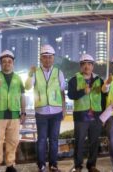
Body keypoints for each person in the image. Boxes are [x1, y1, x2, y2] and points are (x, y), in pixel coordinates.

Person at [25, 44, 66, 172]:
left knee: (54, 140)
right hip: (41, 112)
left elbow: (62, 91)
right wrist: (30, 74)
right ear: (41, 59)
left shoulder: (59, 72)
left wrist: (64, 109)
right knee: (42, 140)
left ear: (53, 58)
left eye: (50, 57)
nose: (47, 59)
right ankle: (41, 165)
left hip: (56, 111)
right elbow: (27, 87)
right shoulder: (35, 72)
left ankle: (53, 165)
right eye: (45, 57)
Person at [0, 50, 26, 172]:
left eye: (9, 62)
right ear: (0, 64)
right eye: (4, 62)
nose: (7, 64)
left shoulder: (18, 78)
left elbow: (22, 96)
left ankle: (10, 164)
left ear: (13, 63)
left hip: (14, 114)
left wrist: (23, 112)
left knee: (13, 141)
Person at [67, 54, 104, 172]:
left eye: (89, 64)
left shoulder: (99, 80)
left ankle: (91, 165)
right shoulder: (74, 79)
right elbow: (71, 95)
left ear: (93, 66)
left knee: (94, 141)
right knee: (79, 141)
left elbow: (104, 98)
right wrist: (83, 91)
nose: (86, 67)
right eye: (83, 64)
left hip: (96, 115)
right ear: (80, 66)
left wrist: (103, 116)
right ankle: (78, 166)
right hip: (81, 115)